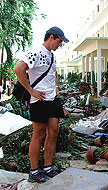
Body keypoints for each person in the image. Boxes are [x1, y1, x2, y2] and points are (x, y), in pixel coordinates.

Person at [14, 26, 69, 183]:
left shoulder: (52, 56)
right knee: (39, 134)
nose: (60, 45)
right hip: (39, 100)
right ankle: (34, 171)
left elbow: (54, 72)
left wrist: (56, 88)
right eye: (59, 41)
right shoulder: (36, 52)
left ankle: (48, 167)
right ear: (51, 37)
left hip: (52, 99)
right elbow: (19, 69)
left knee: (54, 131)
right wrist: (31, 90)